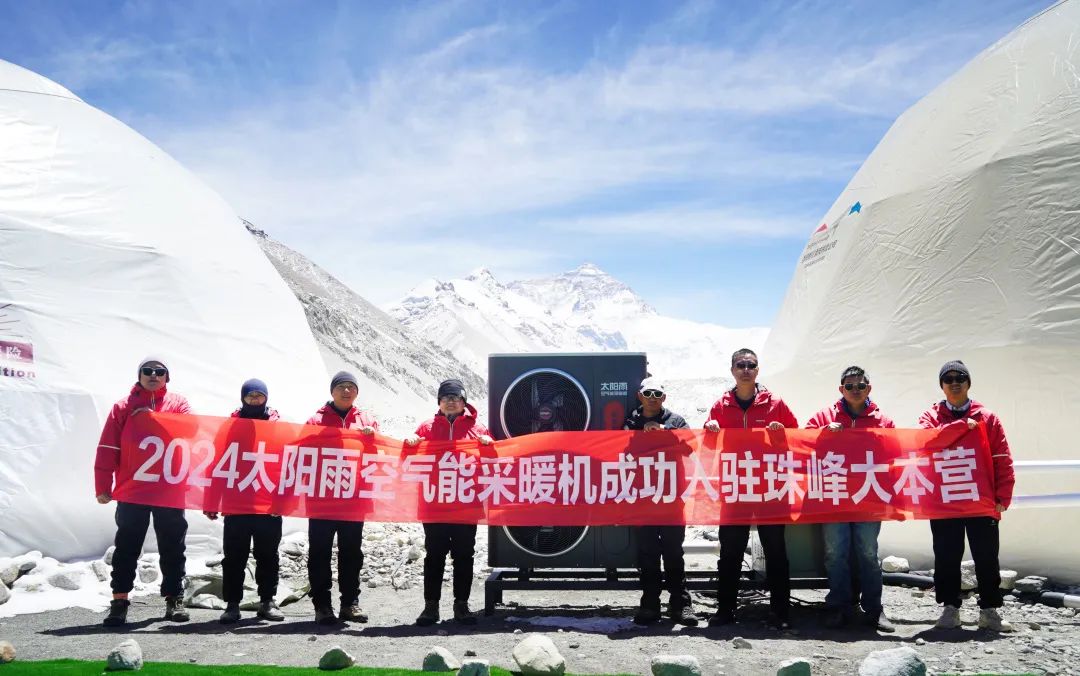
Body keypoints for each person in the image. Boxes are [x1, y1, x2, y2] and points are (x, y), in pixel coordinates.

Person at [703, 348, 797, 629]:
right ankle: (725, 610)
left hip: (769, 484)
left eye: (751, 365)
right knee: (730, 551)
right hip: (735, 485)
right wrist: (709, 430)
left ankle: (781, 611)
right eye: (741, 365)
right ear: (732, 370)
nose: (746, 369)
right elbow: (708, 446)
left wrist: (782, 435)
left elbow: (796, 439)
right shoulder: (720, 405)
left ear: (758, 370)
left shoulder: (776, 403)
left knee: (775, 550)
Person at [95, 357, 192, 627]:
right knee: (127, 546)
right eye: (147, 371)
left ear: (166, 378)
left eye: (159, 372)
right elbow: (108, 447)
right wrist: (102, 485)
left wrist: (154, 419)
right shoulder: (122, 407)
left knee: (173, 545)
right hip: (132, 488)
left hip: (168, 488)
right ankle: (119, 601)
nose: (153, 375)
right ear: (139, 376)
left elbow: (191, 431)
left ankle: (174, 598)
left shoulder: (179, 404)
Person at [919, 360, 1015, 632]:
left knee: (987, 556)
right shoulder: (930, 416)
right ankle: (950, 608)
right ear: (942, 385)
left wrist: (1002, 494)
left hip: (981, 498)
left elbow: (1002, 458)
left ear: (968, 382)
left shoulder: (988, 417)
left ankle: (990, 610)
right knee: (946, 555)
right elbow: (928, 440)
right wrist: (962, 427)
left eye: (960, 377)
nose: (955, 382)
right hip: (945, 498)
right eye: (948, 378)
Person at [805, 366, 895, 632]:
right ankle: (838, 606)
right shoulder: (824, 416)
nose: (855, 390)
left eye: (861, 386)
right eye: (850, 386)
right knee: (835, 553)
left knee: (868, 553)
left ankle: (874, 609)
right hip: (835, 496)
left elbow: (894, 455)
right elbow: (802, 442)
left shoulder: (883, 421)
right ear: (841, 389)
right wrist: (822, 432)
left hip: (868, 497)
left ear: (869, 388)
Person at [405, 379, 494, 626]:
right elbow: (408, 460)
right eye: (446, 397)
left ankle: (461, 605)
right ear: (439, 402)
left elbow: (493, 462)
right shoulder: (425, 427)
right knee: (434, 555)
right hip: (434, 503)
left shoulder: (478, 429)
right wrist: (410, 444)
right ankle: (430, 607)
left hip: (467, 502)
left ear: (464, 402)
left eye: (456, 397)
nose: (451, 401)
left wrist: (488, 446)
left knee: (464, 555)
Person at [204, 378, 285, 624]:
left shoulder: (278, 426)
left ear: (266, 398)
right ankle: (232, 604)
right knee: (234, 557)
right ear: (243, 398)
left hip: (267, 503)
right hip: (236, 502)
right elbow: (218, 463)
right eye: (250, 396)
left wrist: (284, 500)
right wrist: (211, 500)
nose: (255, 400)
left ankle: (267, 601)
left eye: (259, 395)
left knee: (268, 555)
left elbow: (285, 465)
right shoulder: (230, 426)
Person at [304, 371, 379, 625]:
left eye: (351, 387)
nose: (346, 391)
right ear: (332, 391)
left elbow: (376, 454)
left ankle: (350, 603)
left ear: (356, 392)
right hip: (322, 499)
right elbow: (303, 452)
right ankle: (322, 605)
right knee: (319, 553)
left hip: (353, 499)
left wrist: (372, 438)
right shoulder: (316, 420)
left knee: (351, 553)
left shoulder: (366, 419)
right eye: (341, 387)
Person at [623, 378, 697, 627]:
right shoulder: (630, 422)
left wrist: (667, 434)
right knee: (647, 554)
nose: (653, 397)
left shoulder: (676, 421)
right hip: (642, 496)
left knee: (674, 553)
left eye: (658, 393)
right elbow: (619, 450)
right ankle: (650, 605)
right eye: (648, 393)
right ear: (640, 396)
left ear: (664, 398)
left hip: (671, 496)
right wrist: (638, 436)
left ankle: (681, 606)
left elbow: (692, 447)